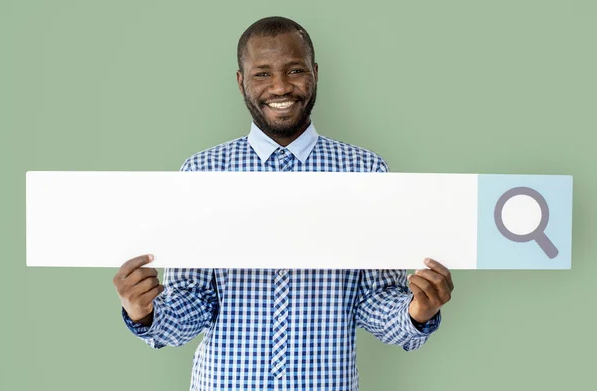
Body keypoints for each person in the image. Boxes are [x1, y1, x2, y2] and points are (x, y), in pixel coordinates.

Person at [113, 16, 454, 391]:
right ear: (241, 81)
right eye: (262, 74)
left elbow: (373, 301)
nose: (280, 86)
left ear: (315, 73)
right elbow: (192, 304)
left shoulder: (365, 172)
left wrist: (417, 312)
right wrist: (143, 312)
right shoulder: (202, 172)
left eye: (294, 70)